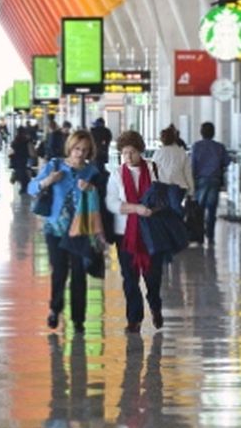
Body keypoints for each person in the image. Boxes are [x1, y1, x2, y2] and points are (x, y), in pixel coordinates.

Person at [29, 130, 105, 334]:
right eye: (77, 149)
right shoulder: (55, 165)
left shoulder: (92, 172)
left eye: (84, 150)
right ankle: (55, 308)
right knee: (59, 271)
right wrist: (48, 181)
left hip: (80, 229)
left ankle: (79, 319)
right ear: (70, 147)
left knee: (79, 275)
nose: (80, 154)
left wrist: (90, 188)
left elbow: (101, 200)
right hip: (55, 228)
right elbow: (32, 187)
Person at [106, 130, 165, 334]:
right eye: (124, 153)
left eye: (132, 152)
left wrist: (154, 209)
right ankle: (134, 319)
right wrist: (136, 209)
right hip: (125, 234)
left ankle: (155, 305)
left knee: (152, 276)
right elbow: (112, 203)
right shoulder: (116, 174)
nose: (128, 157)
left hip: (151, 232)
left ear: (140, 151)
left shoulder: (153, 169)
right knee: (130, 278)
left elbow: (164, 195)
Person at [190, 122, 231, 244]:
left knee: (200, 208)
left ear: (201, 133)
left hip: (200, 180)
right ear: (213, 133)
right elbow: (227, 162)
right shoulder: (220, 147)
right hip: (214, 180)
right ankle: (210, 235)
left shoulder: (196, 146)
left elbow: (193, 165)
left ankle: (200, 234)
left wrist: (191, 182)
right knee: (212, 208)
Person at [151, 126, 194, 206]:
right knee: (176, 208)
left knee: (165, 209)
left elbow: (153, 172)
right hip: (179, 186)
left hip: (162, 186)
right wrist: (191, 190)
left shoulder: (158, 154)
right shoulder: (182, 153)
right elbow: (188, 172)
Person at [10, 126, 34, 195]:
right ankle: (25, 188)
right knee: (25, 174)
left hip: (17, 161)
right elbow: (31, 152)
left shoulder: (15, 141)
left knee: (20, 173)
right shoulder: (27, 141)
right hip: (25, 160)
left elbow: (12, 151)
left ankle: (22, 187)